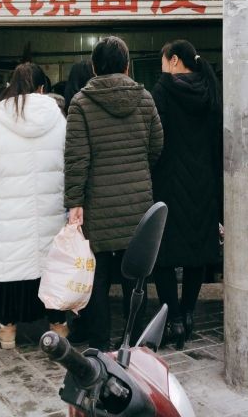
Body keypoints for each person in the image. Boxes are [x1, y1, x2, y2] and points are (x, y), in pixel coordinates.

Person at [65, 36, 164, 350]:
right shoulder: (145, 98)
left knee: (97, 274)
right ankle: (133, 340)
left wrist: (74, 202)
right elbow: (157, 145)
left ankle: (100, 342)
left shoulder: (80, 102)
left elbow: (76, 158)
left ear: (94, 67)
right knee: (136, 274)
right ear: (127, 66)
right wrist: (137, 169)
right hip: (137, 199)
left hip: (97, 202)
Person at [0, 63, 67, 349]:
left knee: (11, 266)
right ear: (42, 88)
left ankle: (8, 330)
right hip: (51, 206)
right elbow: (70, 160)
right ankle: (58, 326)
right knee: (51, 268)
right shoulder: (58, 119)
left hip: (8, 209)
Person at [149, 40, 223, 350]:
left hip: (168, 182)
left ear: (174, 60)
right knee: (197, 250)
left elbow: (154, 139)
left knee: (162, 254)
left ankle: (174, 319)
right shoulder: (210, 90)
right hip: (204, 182)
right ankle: (189, 315)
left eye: (163, 62)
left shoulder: (163, 91)